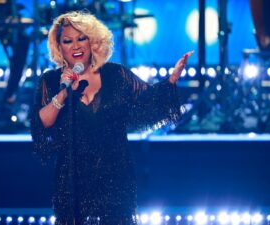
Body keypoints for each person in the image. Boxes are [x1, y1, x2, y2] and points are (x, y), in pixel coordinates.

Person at [31, 11, 193, 225]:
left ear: (93, 41)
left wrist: (171, 80)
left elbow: (149, 101)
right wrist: (62, 93)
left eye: (82, 38)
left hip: (116, 177)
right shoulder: (51, 81)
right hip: (72, 181)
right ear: (59, 47)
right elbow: (41, 124)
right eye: (68, 41)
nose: (76, 46)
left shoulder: (116, 75)